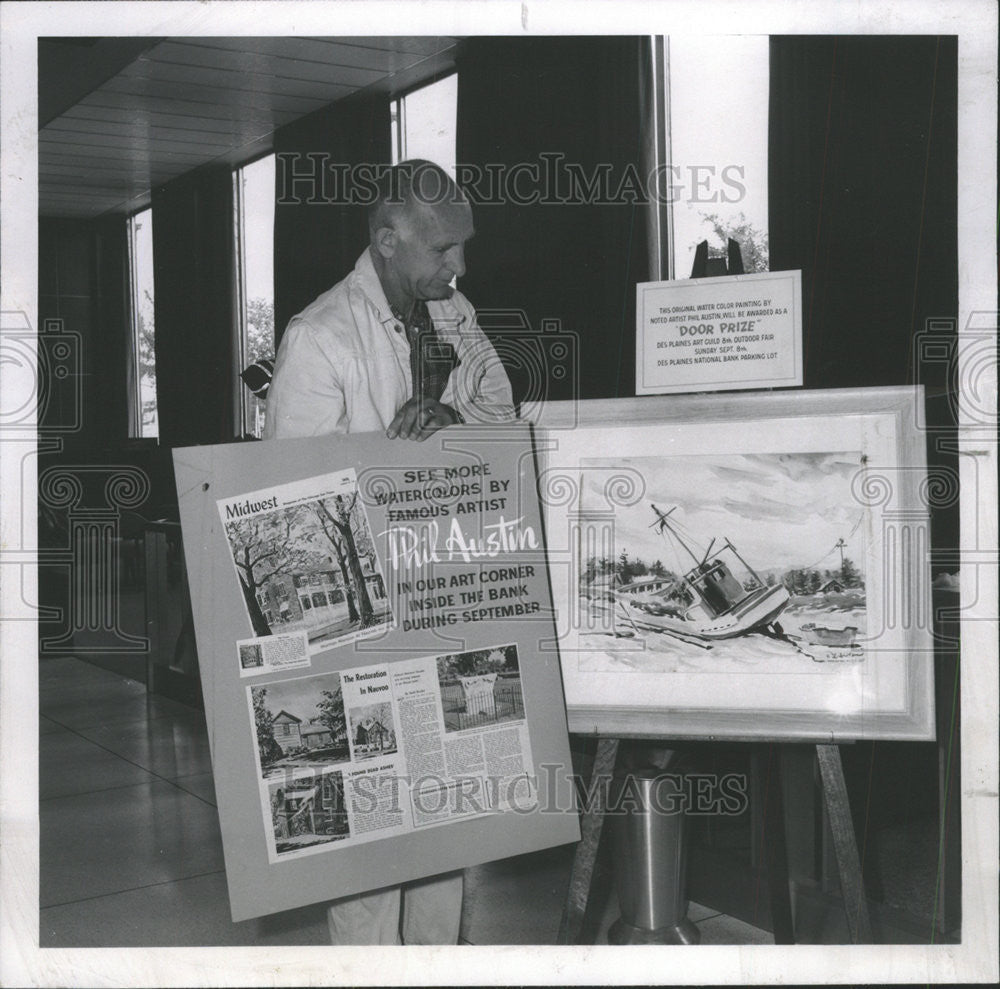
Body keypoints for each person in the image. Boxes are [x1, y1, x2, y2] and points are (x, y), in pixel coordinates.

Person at [263, 160, 515, 945]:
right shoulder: (318, 337)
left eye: (464, 248)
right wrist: (390, 453)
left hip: (444, 603)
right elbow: (286, 507)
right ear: (386, 239)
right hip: (363, 629)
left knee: (444, 833)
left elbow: (502, 419)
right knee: (370, 852)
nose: (460, 267)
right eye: (443, 250)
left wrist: (448, 417)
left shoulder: (456, 313)